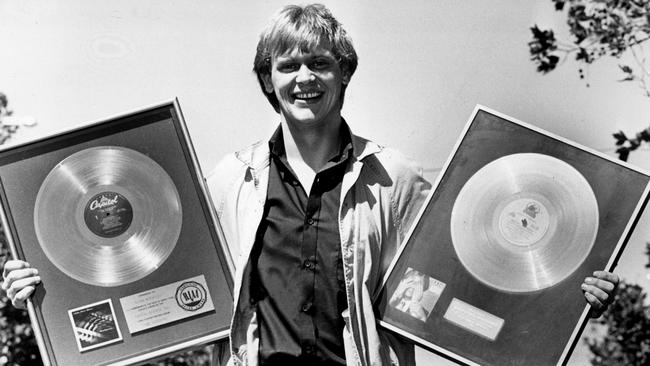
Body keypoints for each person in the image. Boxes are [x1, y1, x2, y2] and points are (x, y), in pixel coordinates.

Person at [2, 4, 619, 366]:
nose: (304, 77)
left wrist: (568, 295)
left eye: (319, 62)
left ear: (344, 73)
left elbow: (471, 276)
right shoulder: (228, 180)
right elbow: (150, 266)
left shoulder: (396, 177)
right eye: (288, 65)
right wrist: (42, 286)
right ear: (268, 81)